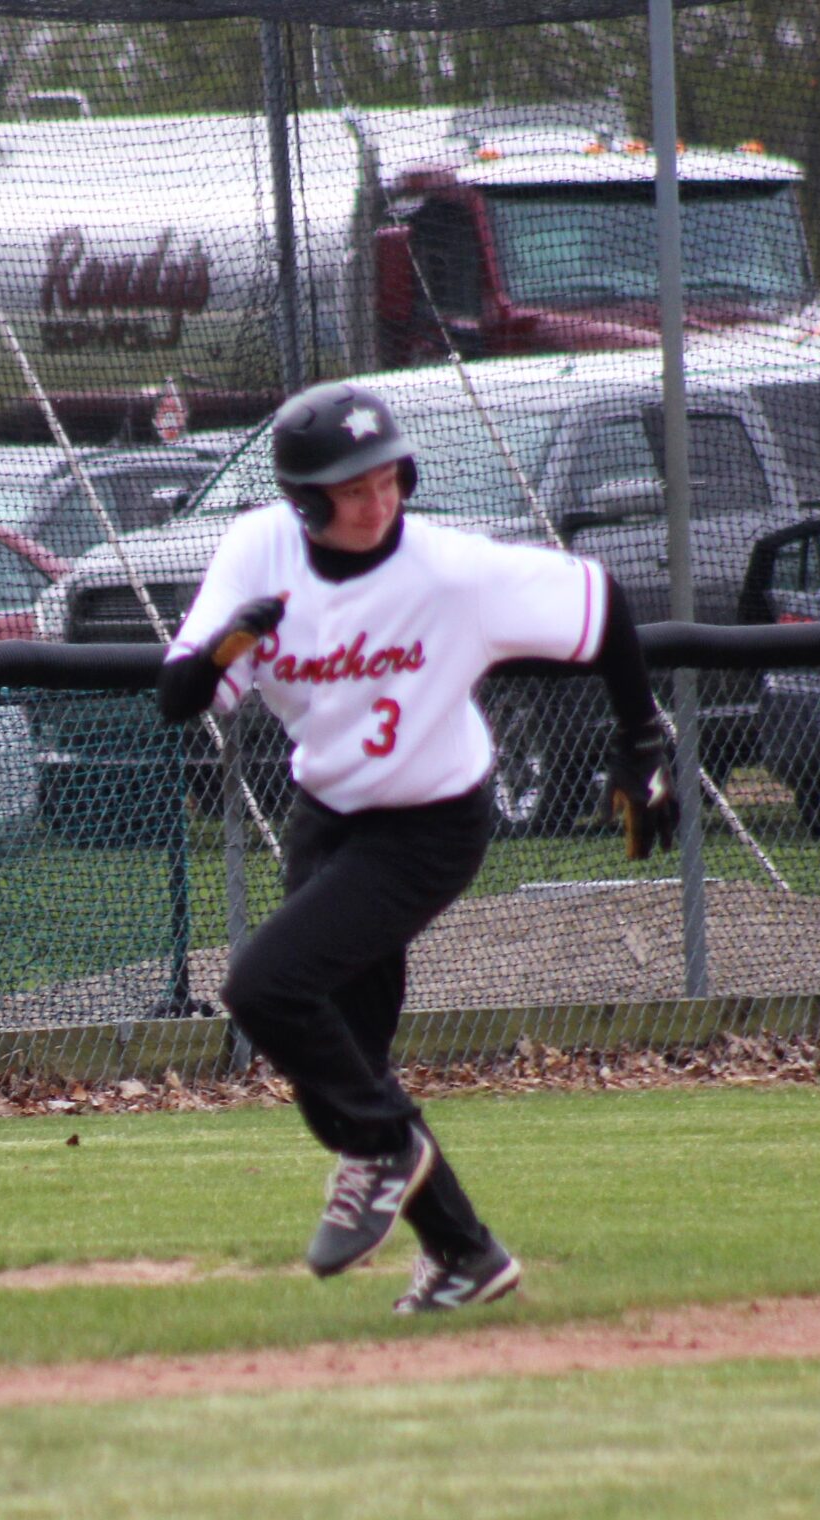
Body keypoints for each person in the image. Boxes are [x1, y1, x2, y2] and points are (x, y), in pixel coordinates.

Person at [158, 381, 676, 1314]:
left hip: (432, 824)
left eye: (389, 477)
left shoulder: (450, 571)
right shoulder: (260, 547)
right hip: (327, 817)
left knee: (263, 987)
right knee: (346, 1062)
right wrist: (233, 642)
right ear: (304, 500)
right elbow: (181, 698)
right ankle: (464, 1253)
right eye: (353, 489)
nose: (379, 500)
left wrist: (642, 744)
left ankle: (385, 1150)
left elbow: (601, 602)